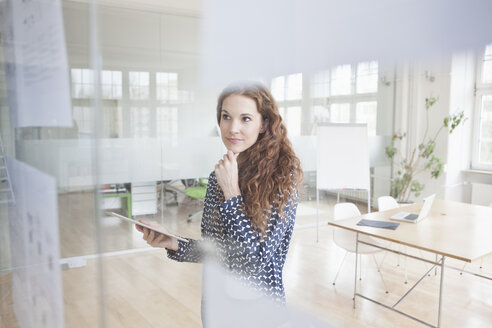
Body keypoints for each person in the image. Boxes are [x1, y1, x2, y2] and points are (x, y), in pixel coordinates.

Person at [137, 82, 303, 308]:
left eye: (245, 118)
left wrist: (232, 193)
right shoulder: (219, 176)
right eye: (226, 117)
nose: (233, 128)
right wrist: (173, 242)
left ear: (264, 123)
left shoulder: (283, 177)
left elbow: (255, 261)